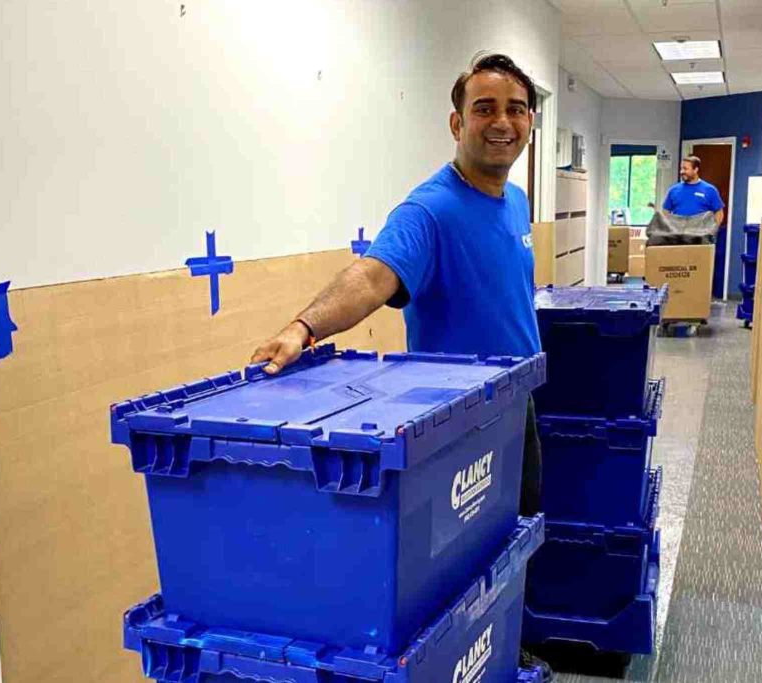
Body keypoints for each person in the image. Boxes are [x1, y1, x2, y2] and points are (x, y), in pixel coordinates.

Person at [250, 53, 549, 677]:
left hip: (515, 407)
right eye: (484, 108)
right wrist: (303, 326)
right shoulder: (430, 210)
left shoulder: (515, 201)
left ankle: (500, 647)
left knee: (511, 545)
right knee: (456, 570)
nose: (502, 122)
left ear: (529, 122)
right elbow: (374, 274)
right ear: (455, 122)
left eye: (516, 109)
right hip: (458, 428)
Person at [662, 155, 725, 225]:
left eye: (685, 169)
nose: (682, 171)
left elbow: (719, 213)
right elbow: (665, 212)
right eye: (681, 168)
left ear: (695, 170)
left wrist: (713, 230)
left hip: (700, 234)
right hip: (678, 233)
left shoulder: (710, 190)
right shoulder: (673, 190)